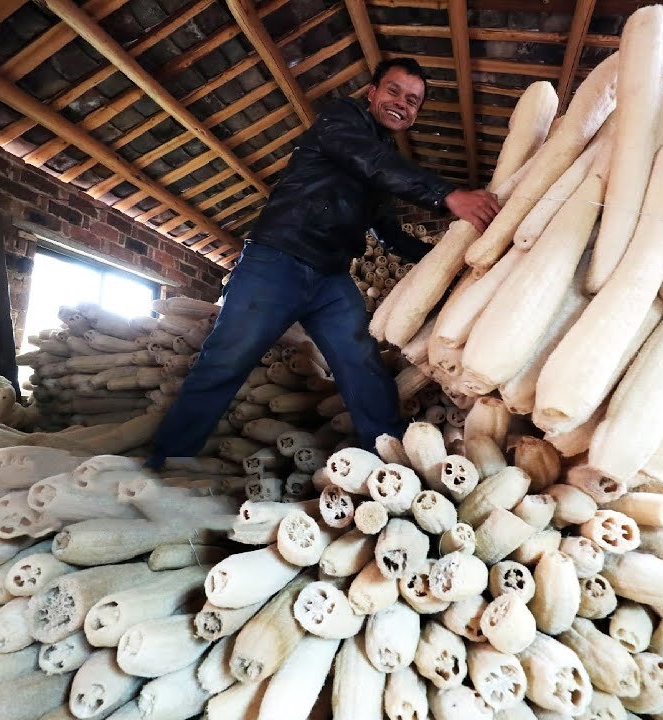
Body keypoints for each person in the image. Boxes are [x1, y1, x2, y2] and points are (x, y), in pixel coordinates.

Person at [146, 58, 502, 469]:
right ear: (371, 92)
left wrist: (446, 262)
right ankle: (168, 458)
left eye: (413, 100)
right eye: (393, 91)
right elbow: (368, 159)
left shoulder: (381, 159)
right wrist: (447, 194)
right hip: (277, 260)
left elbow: (387, 232)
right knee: (227, 357)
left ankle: (387, 459)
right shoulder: (341, 120)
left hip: (331, 278)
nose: (402, 103)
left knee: (361, 363)